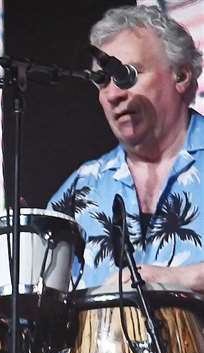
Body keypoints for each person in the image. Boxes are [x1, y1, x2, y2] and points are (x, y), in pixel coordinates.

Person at [50, 4, 204, 292]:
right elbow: (38, 311)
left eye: (127, 74)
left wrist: (181, 279)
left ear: (181, 76)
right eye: (102, 81)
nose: (114, 94)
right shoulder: (81, 189)